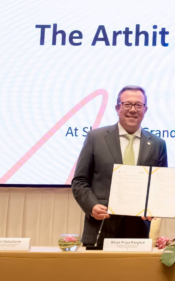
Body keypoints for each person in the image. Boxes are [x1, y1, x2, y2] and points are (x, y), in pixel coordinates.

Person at [72, 85, 168, 246]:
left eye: (138, 105)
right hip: (101, 226)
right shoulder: (95, 138)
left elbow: (160, 185)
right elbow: (80, 181)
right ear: (117, 108)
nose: (133, 109)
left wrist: (153, 206)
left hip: (138, 231)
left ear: (145, 109)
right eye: (127, 104)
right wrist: (92, 206)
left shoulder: (158, 144)